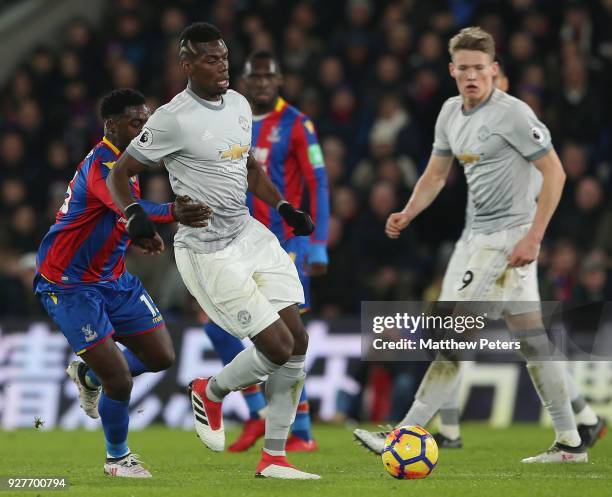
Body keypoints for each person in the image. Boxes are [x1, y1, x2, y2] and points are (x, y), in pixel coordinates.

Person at [354, 26, 588, 463]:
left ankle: (404, 433)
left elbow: (556, 174)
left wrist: (534, 236)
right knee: (533, 342)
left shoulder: (514, 114)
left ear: (494, 70)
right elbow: (436, 174)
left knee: (453, 337)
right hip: (478, 237)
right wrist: (408, 211)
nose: (472, 76)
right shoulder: (449, 113)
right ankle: (572, 442)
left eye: (480, 68)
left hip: (507, 240)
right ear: (452, 70)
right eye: (464, 69)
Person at [106, 23, 320, 479]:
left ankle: (275, 457)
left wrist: (283, 205)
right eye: (209, 59)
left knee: (298, 341)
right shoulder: (172, 117)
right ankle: (211, 390)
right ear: (187, 64)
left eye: (223, 57)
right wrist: (136, 216)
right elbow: (118, 174)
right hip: (207, 250)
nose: (221, 66)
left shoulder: (240, 104)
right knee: (278, 347)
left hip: (249, 233)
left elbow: (250, 167)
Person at [34, 88, 211, 477]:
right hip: (69, 285)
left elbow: (115, 217)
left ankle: (88, 373)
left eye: (147, 122)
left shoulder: (126, 168)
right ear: (112, 126)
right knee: (120, 379)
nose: (145, 130)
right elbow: (123, 206)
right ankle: (118, 458)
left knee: (161, 357)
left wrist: (139, 233)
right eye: (136, 123)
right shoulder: (103, 165)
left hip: (113, 278)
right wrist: (170, 211)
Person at [433, 61, 606, 450]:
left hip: (509, 248)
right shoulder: (478, 128)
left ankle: (450, 430)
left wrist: (532, 238)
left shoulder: (517, 131)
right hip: (478, 242)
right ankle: (585, 418)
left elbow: (549, 181)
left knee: (478, 333)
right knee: (522, 338)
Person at [202, 50, 329, 453]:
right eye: (253, 77)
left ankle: (301, 432)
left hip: (284, 245)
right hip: (238, 241)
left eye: (267, 77)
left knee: (290, 337)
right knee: (216, 328)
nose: (260, 84)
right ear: (243, 80)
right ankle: (260, 413)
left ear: (279, 81)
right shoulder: (230, 121)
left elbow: (318, 183)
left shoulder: (296, 123)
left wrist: (317, 242)